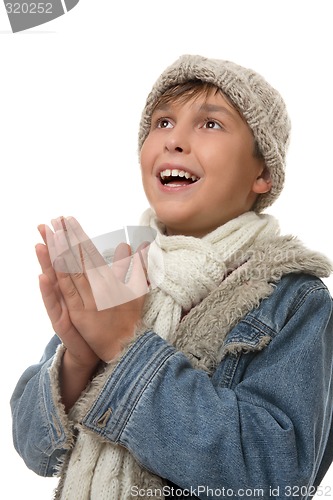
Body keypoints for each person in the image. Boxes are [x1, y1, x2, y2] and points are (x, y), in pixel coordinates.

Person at [11, 54, 333, 500]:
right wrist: (78, 361)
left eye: (211, 124)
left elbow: (277, 476)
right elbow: (33, 450)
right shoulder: (117, 270)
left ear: (263, 173)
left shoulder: (293, 297)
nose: (174, 140)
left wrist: (126, 346)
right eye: (162, 122)